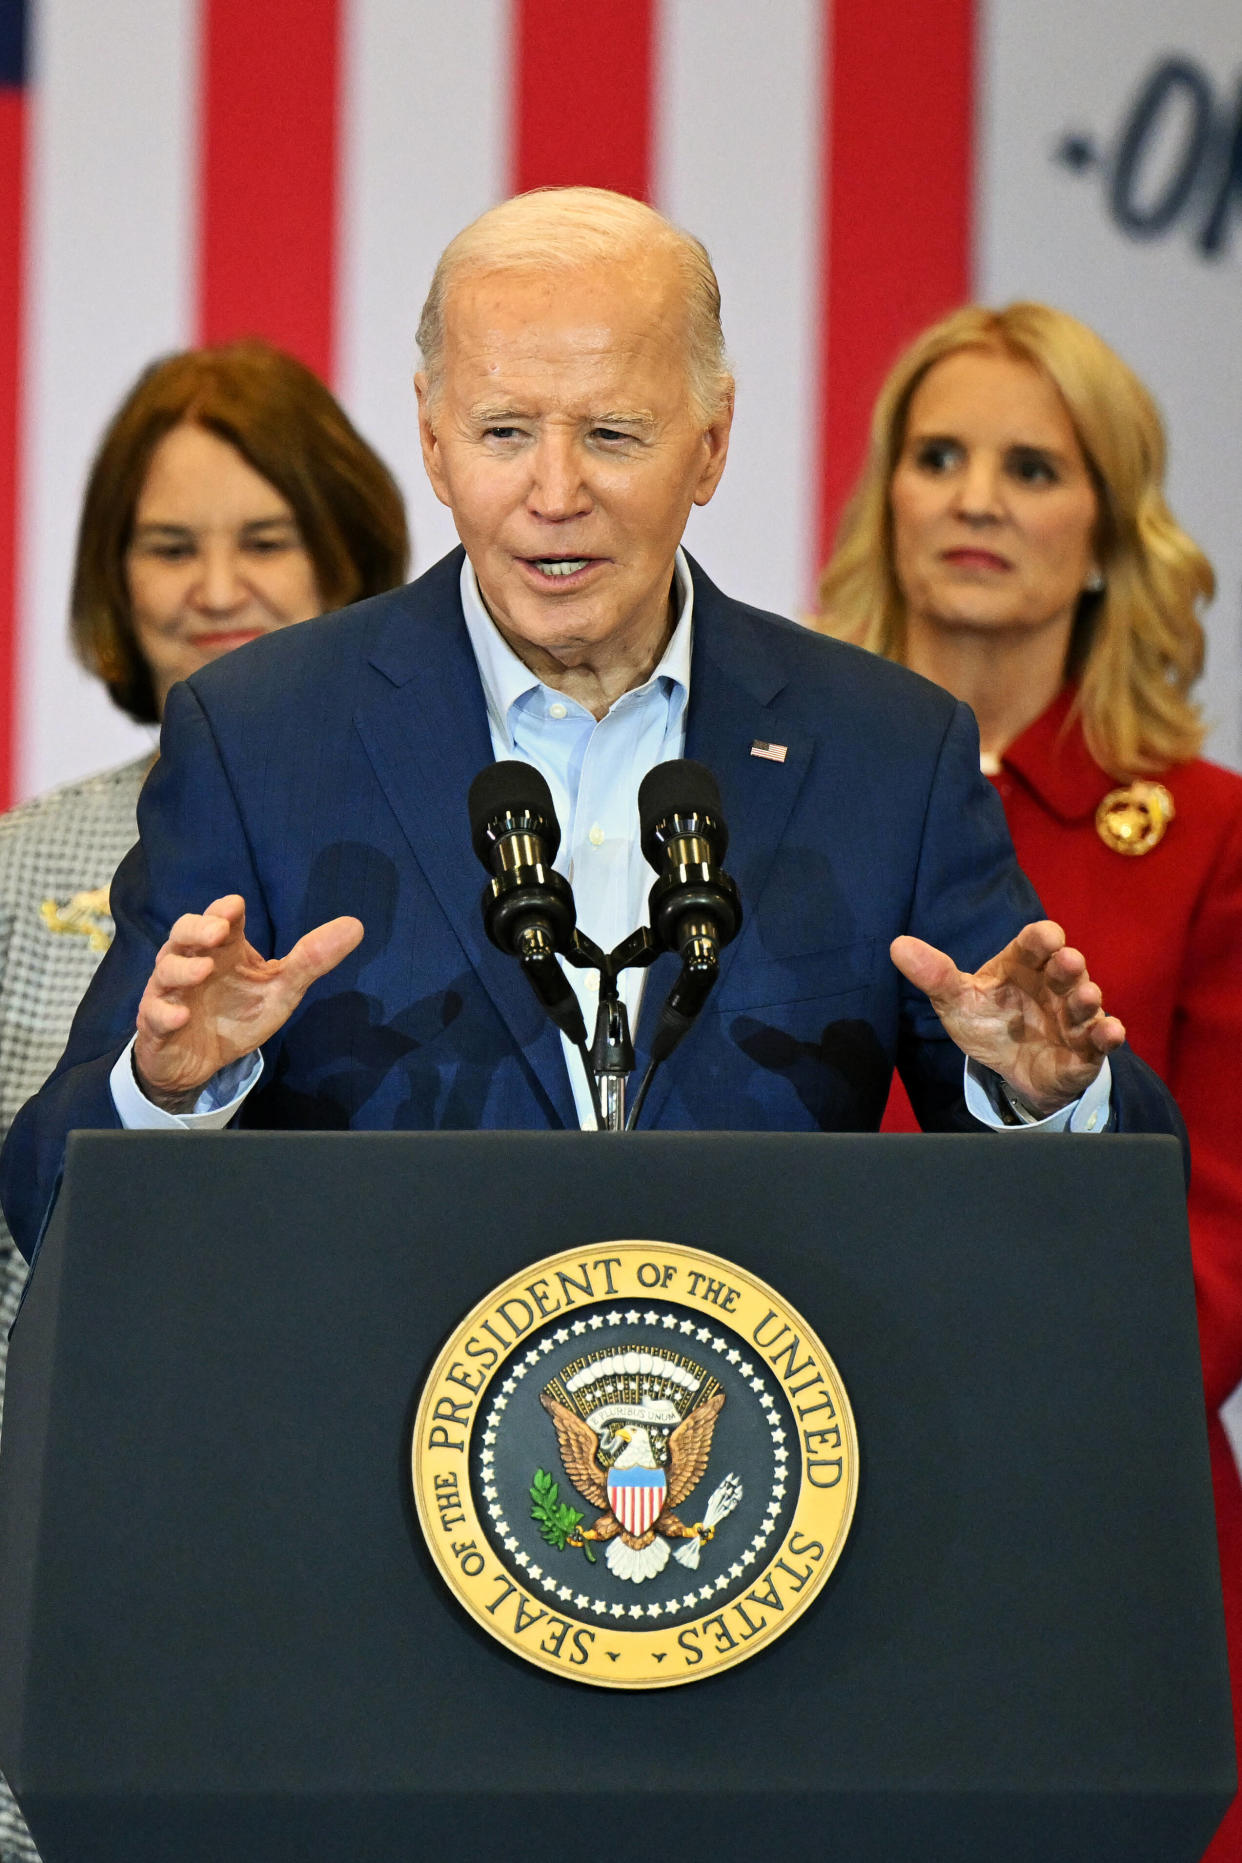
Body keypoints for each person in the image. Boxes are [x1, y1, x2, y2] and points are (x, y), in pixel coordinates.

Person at [0, 191, 1181, 1270]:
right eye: (505, 432)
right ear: (432, 437)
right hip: (363, 1471)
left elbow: (1121, 1211)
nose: (555, 492)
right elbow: (46, 1196)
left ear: (712, 442)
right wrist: (166, 1090)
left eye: (613, 435)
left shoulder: (887, 751)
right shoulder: (259, 739)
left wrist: (1046, 1099)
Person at [815, 299, 1242, 1860]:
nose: (976, 497)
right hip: (785, 1480)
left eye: (1029, 466)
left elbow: (1217, 1240)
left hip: (1089, 1523)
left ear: (1112, 531)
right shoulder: (749, 799)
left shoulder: (1206, 835)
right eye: (937, 456)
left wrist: (1004, 1411)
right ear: (887, 502)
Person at [0, 340, 408, 1863]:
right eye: (169, 545)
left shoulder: (443, 844)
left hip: (373, 1528)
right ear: (115, 579)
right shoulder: (20, 864)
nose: (214, 585)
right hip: (76, 1540)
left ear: (350, 558)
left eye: (264, 539)